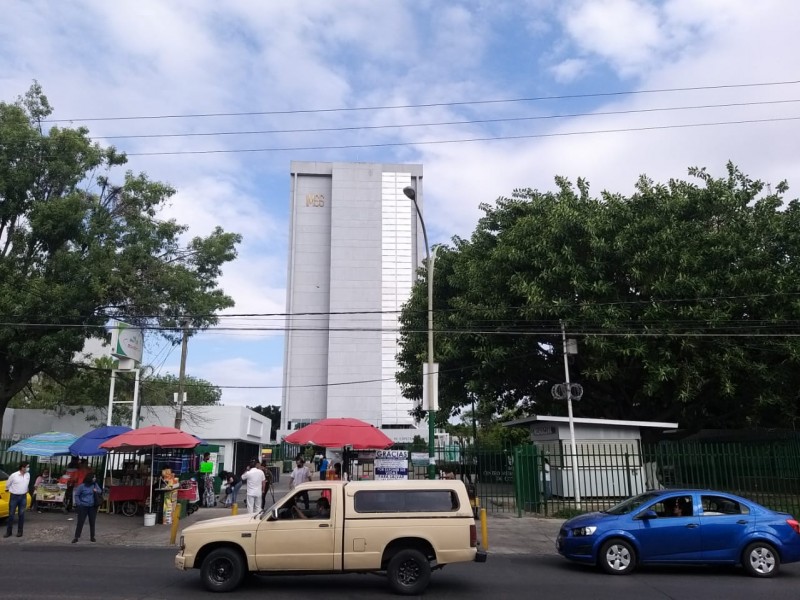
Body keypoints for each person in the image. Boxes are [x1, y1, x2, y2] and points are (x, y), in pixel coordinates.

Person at [72, 472, 102, 543]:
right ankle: (76, 537)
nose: (94, 478)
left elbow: (100, 491)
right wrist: (79, 504)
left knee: (92, 522)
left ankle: (92, 537)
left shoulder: (94, 485)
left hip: (92, 507)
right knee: (80, 522)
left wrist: (96, 490)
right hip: (83, 506)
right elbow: (77, 495)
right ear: (90, 478)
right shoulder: (82, 486)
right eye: (93, 477)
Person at [4, 462, 30, 538]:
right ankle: (9, 532)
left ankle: (20, 532)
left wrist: (25, 488)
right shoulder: (14, 475)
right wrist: (13, 490)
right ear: (22, 467)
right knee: (11, 514)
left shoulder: (28, 475)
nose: (28, 468)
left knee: (21, 515)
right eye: (27, 467)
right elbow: (7, 485)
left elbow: (26, 484)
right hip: (14, 497)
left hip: (23, 497)